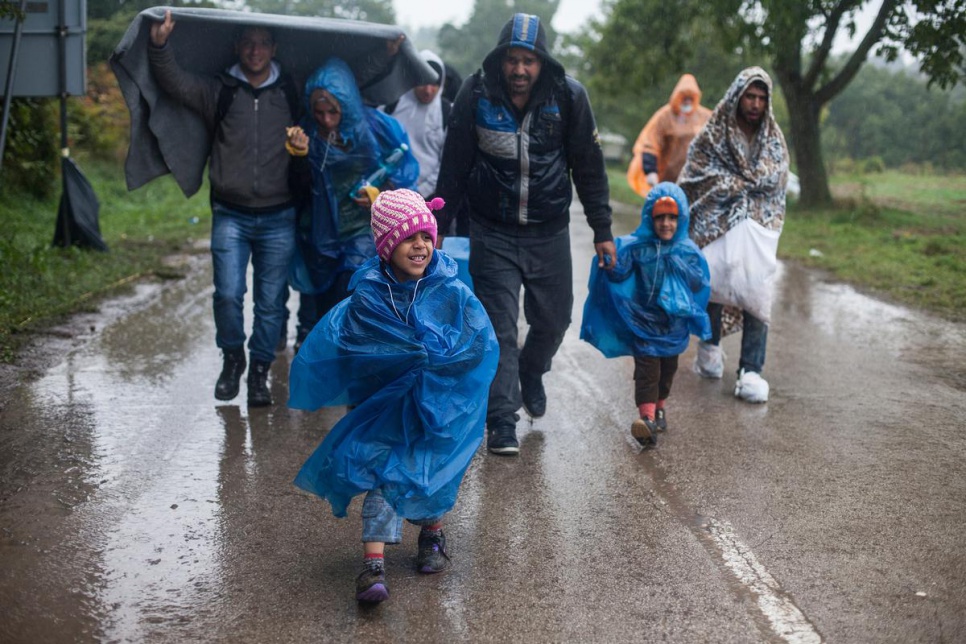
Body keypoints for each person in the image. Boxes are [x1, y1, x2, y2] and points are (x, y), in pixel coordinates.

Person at [288, 189, 498, 604]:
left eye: (425, 237)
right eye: (408, 238)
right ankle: (372, 568)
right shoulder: (369, 295)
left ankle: (432, 533)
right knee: (382, 477)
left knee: (423, 477)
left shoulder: (452, 292)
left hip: (434, 409)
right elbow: (353, 346)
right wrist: (395, 356)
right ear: (386, 246)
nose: (419, 246)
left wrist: (438, 361)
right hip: (383, 407)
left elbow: (478, 343)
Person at [435, 13, 617, 456]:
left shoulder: (568, 97)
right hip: (491, 231)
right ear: (500, 60)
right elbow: (454, 168)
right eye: (512, 60)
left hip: (548, 231)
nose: (519, 70)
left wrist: (603, 230)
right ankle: (501, 420)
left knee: (554, 320)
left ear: (542, 64)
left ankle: (532, 372)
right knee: (499, 331)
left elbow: (589, 168)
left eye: (529, 61)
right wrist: (435, 229)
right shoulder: (475, 94)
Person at [148, 11, 299, 406]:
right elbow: (175, 83)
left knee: (270, 303)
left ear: (273, 49)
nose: (254, 50)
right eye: (248, 42)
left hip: (279, 214)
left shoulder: (290, 91)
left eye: (262, 42)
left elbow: (345, 88)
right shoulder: (221, 89)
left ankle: (259, 373)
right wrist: (160, 45)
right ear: (237, 47)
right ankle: (233, 359)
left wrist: (386, 57)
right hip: (230, 213)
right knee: (229, 295)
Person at [285, 58, 419, 353]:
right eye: (319, 112)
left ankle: (355, 371)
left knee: (355, 296)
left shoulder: (374, 128)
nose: (327, 120)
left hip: (361, 231)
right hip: (319, 233)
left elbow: (404, 174)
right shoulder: (305, 132)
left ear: (346, 103)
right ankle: (321, 368)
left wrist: (380, 194)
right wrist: (299, 157)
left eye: (333, 111)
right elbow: (297, 188)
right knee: (320, 306)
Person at [678, 66, 789, 403]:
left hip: (757, 225)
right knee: (714, 283)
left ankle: (750, 369)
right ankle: (709, 350)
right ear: (737, 97)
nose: (755, 104)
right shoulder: (714, 134)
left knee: (756, 291)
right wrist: (730, 187)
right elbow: (695, 175)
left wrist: (749, 191)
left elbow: (779, 179)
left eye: (761, 98)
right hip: (716, 219)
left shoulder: (773, 138)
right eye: (749, 96)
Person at [580, 183, 711, 447]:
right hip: (643, 324)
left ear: (681, 219)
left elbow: (700, 285)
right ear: (649, 219)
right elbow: (621, 271)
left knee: (667, 371)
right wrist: (612, 266)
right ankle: (647, 420)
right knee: (647, 371)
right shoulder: (639, 248)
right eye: (659, 217)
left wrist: (686, 269)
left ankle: (659, 407)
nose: (665, 224)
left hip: (673, 326)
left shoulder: (688, 252)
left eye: (672, 218)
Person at [625, 73, 712, 198]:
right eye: (684, 97)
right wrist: (651, 171)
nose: (687, 102)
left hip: (696, 182)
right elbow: (651, 143)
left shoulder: (704, 117)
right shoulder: (665, 116)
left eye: (690, 98)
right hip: (666, 180)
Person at [381, 49, 451, 200]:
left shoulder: (446, 113)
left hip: (428, 198)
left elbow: (447, 162)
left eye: (434, 84)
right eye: (423, 82)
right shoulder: (392, 103)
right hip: (388, 193)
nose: (428, 91)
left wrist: (420, 192)